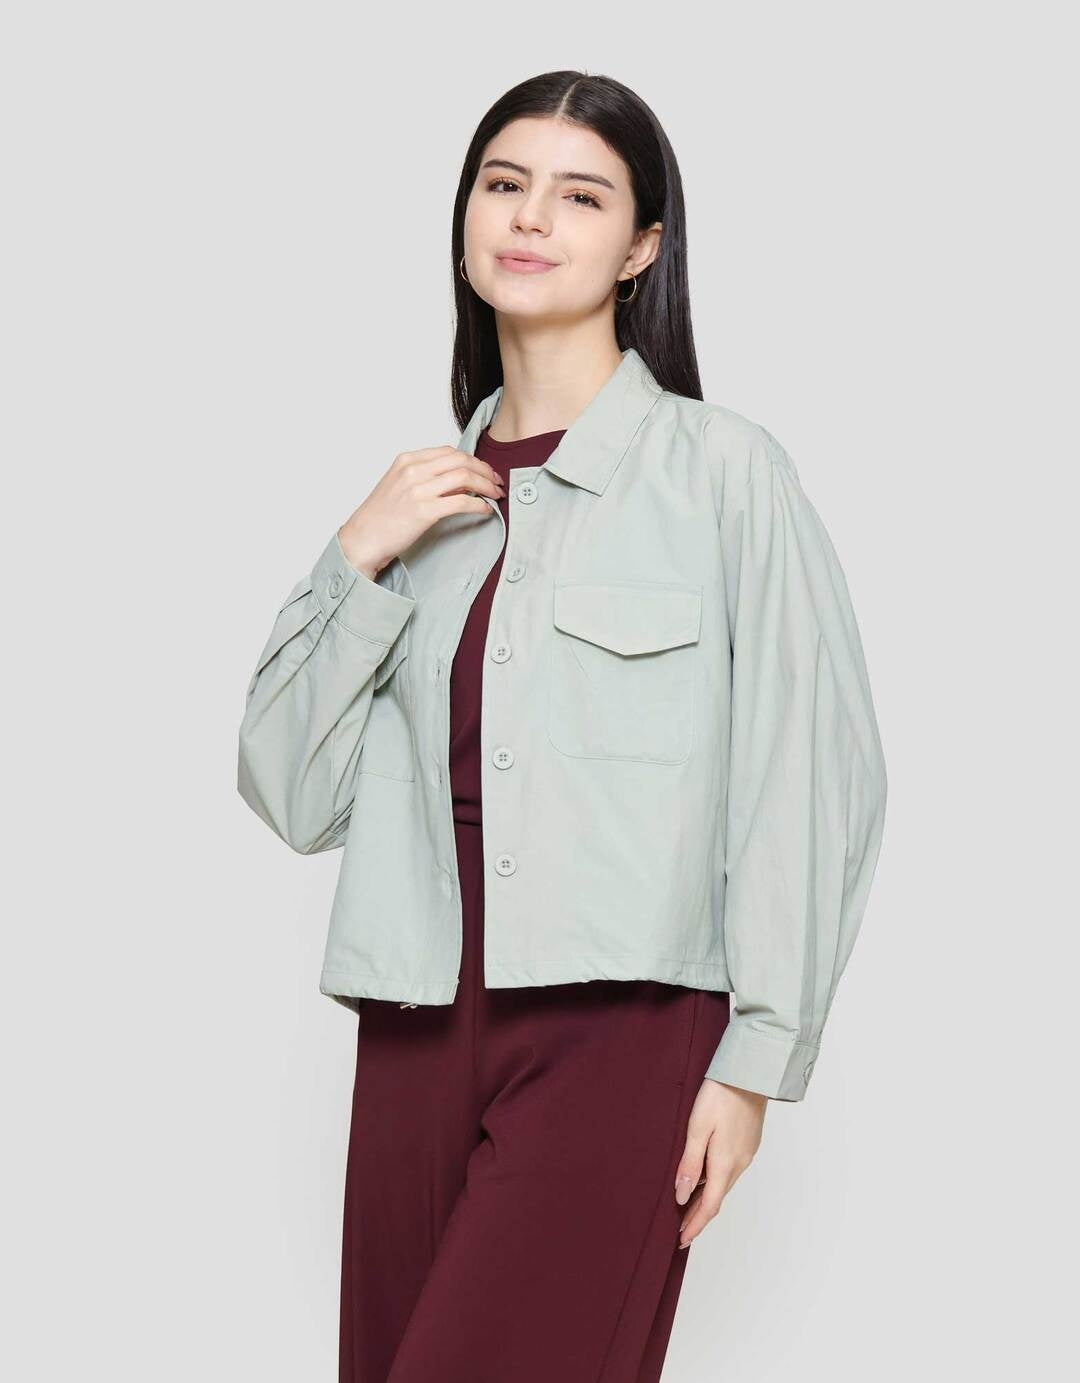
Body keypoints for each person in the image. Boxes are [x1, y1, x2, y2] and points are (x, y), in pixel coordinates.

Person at [237, 70, 888, 1383]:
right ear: (464, 219)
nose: (531, 217)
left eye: (582, 196)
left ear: (642, 247)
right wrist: (356, 554)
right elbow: (291, 794)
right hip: (414, 1020)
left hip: (622, 1027)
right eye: (504, 183)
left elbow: (811, 773)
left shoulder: (724, 475)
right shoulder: (421, 514)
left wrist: (755, 1061)